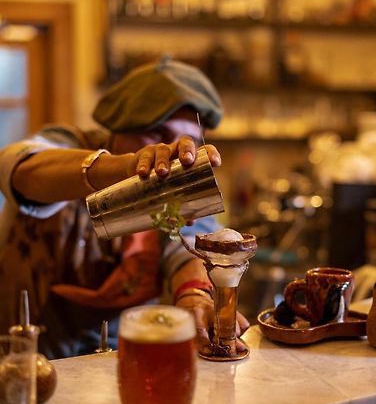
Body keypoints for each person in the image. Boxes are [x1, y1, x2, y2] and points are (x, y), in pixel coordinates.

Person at [0, 58, 249, 359]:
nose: (170, 154)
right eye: (157, 134)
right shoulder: (69, 143)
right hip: (28, 349)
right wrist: (130, 167)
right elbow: (20, 168)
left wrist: (195, 297)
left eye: (185, 141)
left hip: (125, 352)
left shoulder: (179, 183)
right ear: (119, 127)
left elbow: (192, 240)